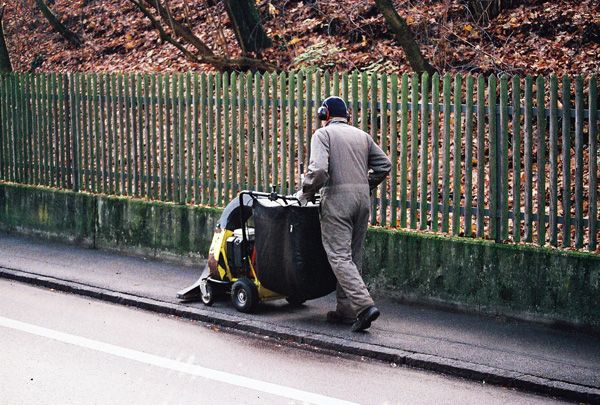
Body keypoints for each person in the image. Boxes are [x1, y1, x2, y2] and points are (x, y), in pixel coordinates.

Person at [297, 96, 392, 332]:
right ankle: (347, 311)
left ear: (324, 115)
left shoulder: (323, 135)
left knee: (339, 256)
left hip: (338, 201)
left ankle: (363, 306)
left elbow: (319, 170)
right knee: (353, 255)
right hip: (362, 201)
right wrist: (365, 184)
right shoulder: (362, 136)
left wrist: (306, 192)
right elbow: (384, 165)